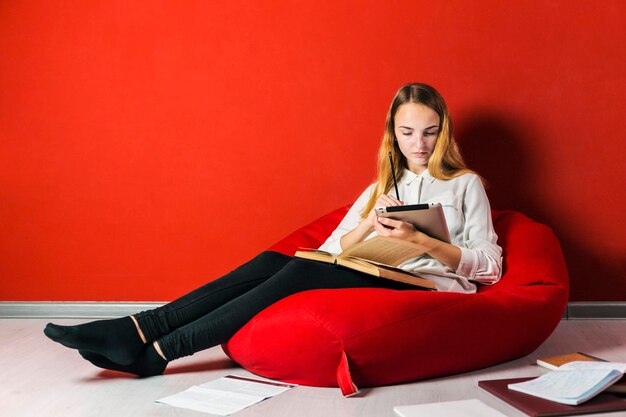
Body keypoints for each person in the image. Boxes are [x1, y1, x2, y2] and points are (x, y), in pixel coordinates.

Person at [44, 82, 502, 377]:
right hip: (373, 267)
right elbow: (332, 247)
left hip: (428, 285)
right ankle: (142, 330)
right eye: (407, 133)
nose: (418, 145)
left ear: (443, 132)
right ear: (392, 135)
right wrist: (368, 224)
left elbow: (490, 270)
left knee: (301, 275)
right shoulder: (383, 185)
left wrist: (421, 241)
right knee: (272, 263)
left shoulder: (466, 184)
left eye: (429, 132)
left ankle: (158, 350)